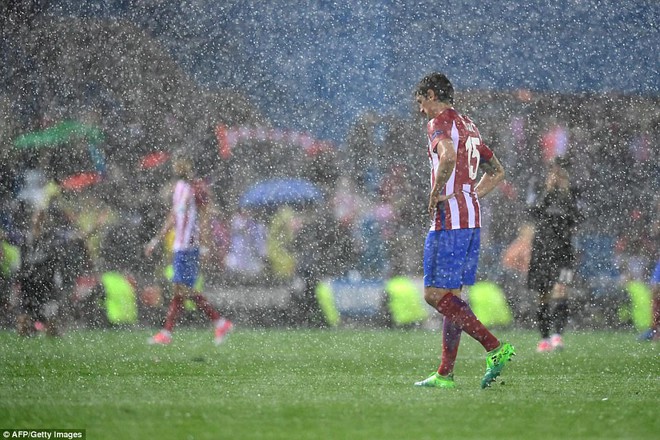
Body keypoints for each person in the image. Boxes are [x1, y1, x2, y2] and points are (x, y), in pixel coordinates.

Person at [412, 72, 515, 390]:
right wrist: (471, 194)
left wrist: (436, 191)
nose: (420, 111)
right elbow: (497, 171)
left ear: (431, 95)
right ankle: (445, 373)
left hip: (449, 221)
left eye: (420, 102)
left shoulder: (439, 123)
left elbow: (448, 156)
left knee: (433, 294)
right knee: (452, 296)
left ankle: (494, 347)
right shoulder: (468, 124)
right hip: (471, 219)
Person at [145, 156, 233, 345]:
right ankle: (217, 322)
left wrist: (206, 245)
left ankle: (170, 332)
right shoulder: (178, 188)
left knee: (182, 288)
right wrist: (156, 239)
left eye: (181, 163)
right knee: (181, 290)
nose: (177, 167)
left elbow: (204, 217)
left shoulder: (196, 188)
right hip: (180, 245)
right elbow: (174, 215)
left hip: (189, 245)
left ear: (188, 165)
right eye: (176, 163)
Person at [527, 158, 582, 352]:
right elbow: (532, 212)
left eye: (561, 171)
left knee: (561, 290)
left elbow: (578, 218)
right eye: (554, 170)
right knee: (543, 294)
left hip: (564, 248)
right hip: (542, 248)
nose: (557, 174)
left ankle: (558, 335)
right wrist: (548, 192)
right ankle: (544, 338)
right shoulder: (537, 186)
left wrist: (566, 193)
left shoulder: (573, 191)